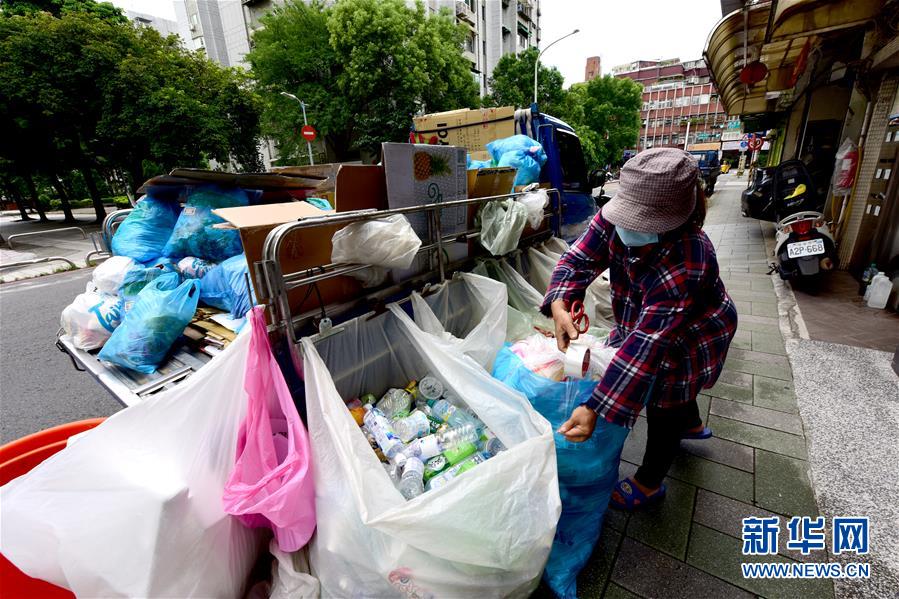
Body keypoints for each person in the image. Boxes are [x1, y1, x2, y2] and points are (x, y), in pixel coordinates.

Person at [540, 147, 737, 510]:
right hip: (645, 320)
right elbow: (578, 258)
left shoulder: (689, 257)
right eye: (626, 215)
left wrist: (594, 407)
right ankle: (690, 422)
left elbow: (646, 348)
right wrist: (559, 301)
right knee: (670, 391)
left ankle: (649, 482)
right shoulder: (614, 218)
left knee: (666, 400)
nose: (628, 227)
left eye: (643, 222)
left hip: (694, 332)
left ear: (676, 218)